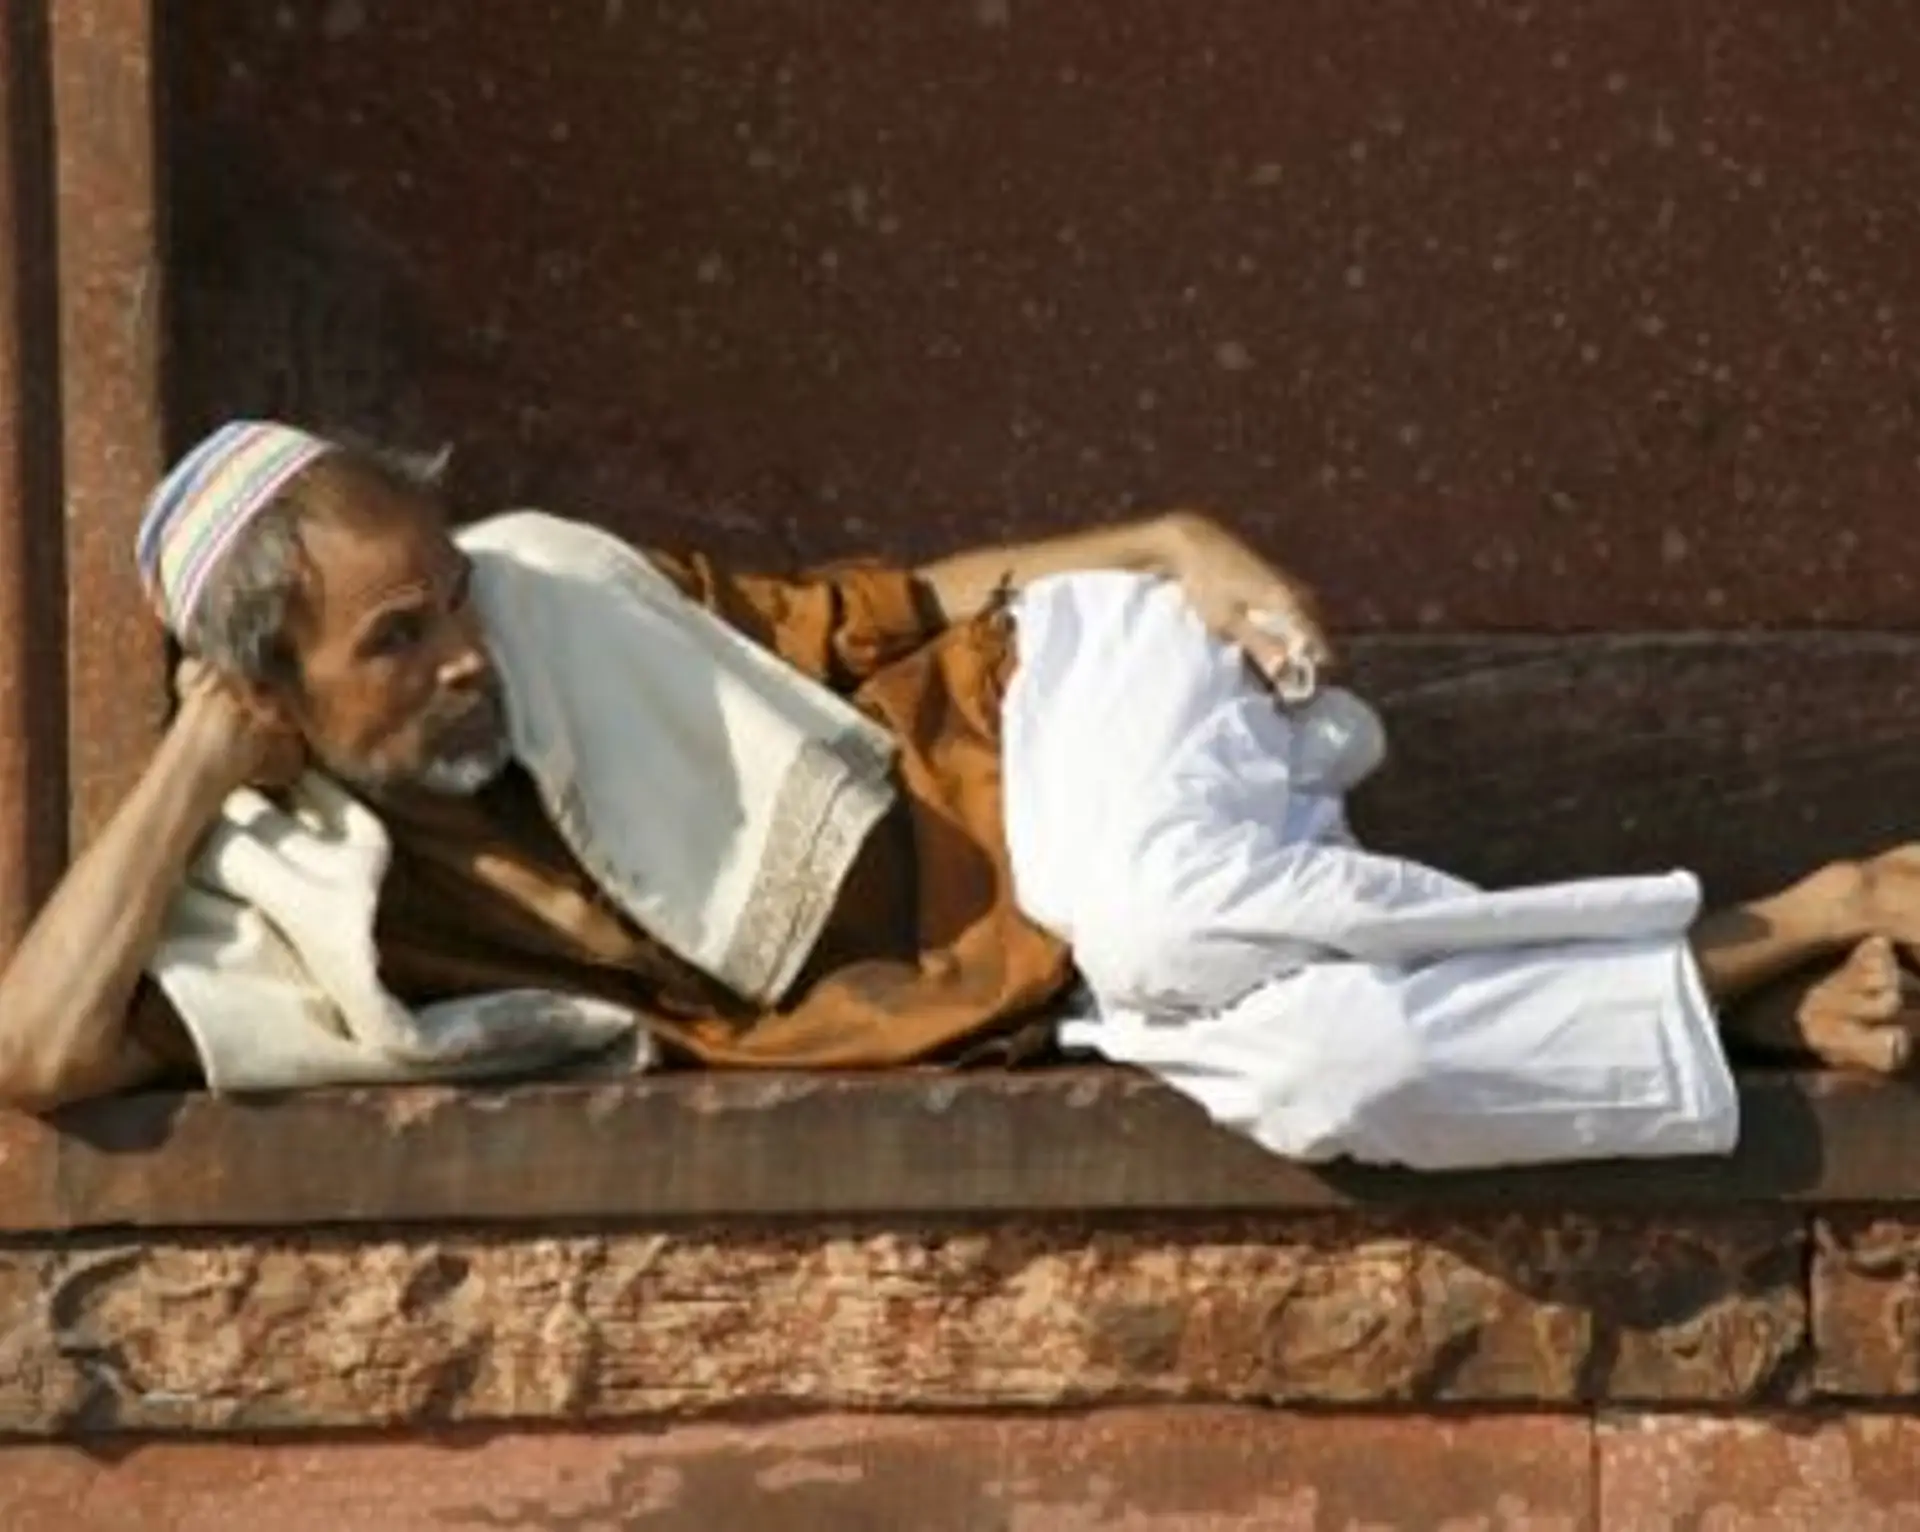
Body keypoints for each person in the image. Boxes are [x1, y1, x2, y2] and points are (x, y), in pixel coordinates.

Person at [0, 420, 1910, 1168]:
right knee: (1346, 1082)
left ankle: (1819, 911)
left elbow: (904, 604)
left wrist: (1175, 535)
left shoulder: (559, 583)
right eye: (395, 641)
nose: (466, 651)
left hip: (1091, 712)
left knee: (1160, 921)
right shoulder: (310, 889)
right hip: (1063, 987)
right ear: (273, 690)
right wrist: (192, 762)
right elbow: (40, 1054)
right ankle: (1764, 975)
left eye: (451, 598)